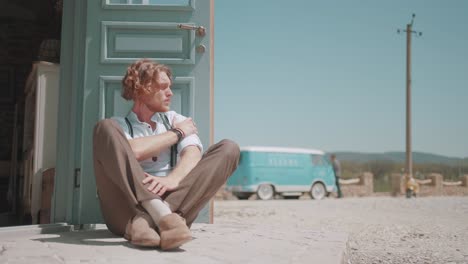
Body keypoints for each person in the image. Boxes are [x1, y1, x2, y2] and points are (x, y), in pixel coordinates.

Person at [92, 59, 240, 250]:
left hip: (175, 198)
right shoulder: (118, 126)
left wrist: (173, 179)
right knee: (103, 128)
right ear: (141, 89)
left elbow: (192, 153)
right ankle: (163, 218)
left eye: (169, 87)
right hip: (127, 208)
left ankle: (147, 222)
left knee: (229, 148)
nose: (170, 93)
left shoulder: (175, 119)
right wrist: (176, 133)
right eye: (163, 87)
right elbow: (134, 150)